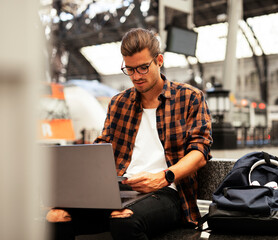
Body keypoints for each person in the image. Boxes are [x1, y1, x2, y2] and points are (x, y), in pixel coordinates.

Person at [46, 28, 213, 240]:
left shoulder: (189, 98)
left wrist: (164, 176)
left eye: (143, 68)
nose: (137, 76)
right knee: (56, 217)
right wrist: (72, 190)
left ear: (159, 60)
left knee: (125, 221)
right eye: (130, 70)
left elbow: (199, 152)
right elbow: (102, 147)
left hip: (168, 191)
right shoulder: (119, 103)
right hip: (121, 189)